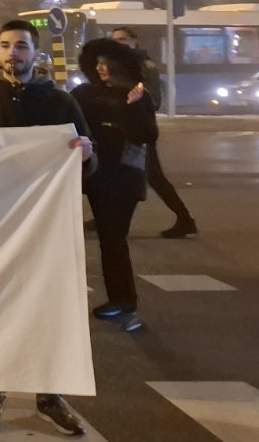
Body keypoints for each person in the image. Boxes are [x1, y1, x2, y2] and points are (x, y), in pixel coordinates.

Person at [0, 19, 97, 436]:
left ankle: (49, 396)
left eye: (22, 46)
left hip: (44, 227)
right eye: (6, 46)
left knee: (47, 308)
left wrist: (85, 154)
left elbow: (88, 157)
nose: (14, 53)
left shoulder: (61, 103)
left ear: (36, 53)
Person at [75, 38, 154, 334]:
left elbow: (147, 134)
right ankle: (120, 298)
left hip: (124, 179)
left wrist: (131, 108)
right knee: (109, 240)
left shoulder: (137, 95)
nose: (101, 67)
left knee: (113, 239)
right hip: (95, 176)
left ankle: (123, 299)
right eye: (97, 62)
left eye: (107, 62)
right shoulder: (85, 93)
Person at [109, 27, 197, 238]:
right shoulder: (115, 65)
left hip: (140, 129)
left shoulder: (144, 66)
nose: (119, 43)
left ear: (134, 41)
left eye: (123, 39)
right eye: (115, 40)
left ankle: (185, 219)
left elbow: (154, 100)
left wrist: (131, 101)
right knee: (113, 173)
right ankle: (106, 216)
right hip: (121, 128)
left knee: (154, 177)